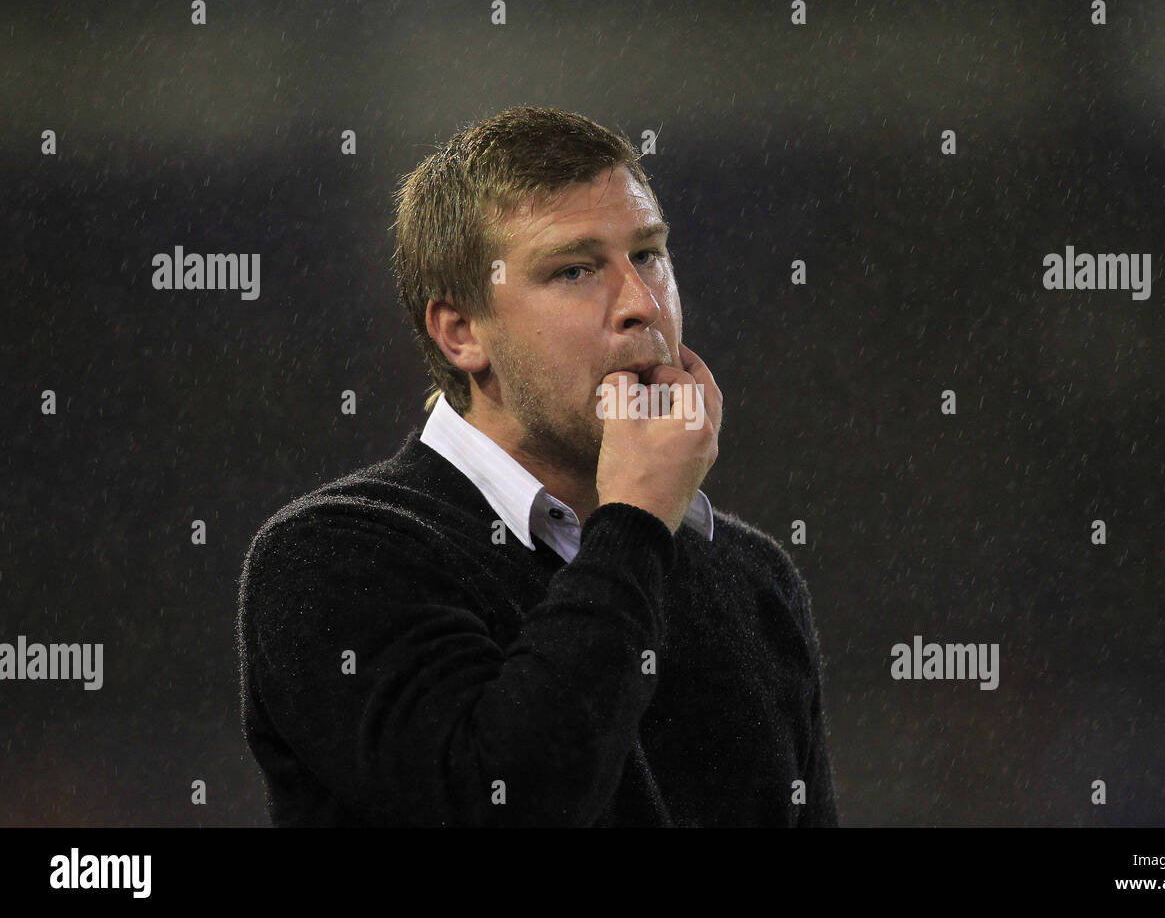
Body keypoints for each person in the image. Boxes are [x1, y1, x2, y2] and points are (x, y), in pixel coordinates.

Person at [236, 106, 838, 827]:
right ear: (461, 333)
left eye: (648, 255)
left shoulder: (753, 579)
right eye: (575, 270)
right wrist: (636, 522)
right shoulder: (333, 557)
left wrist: (636, 529)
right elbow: (508, 802)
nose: (642, 306)